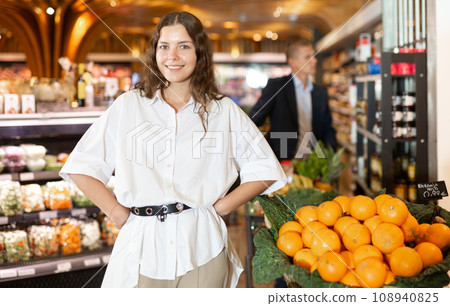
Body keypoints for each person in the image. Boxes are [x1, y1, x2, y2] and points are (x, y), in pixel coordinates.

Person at [60, 11, 286, 288]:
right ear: (155, 51)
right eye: (164, 46)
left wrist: (222, 206)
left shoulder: (223, 111)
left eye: (184, 46)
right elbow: (82, 166)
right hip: (141, 249)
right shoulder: (129, 106)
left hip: (202, 247)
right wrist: (116, 212)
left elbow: (265, 169)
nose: (172, 56)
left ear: (199, 52)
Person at [249, 39, 337, 160]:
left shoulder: (320, 92)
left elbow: (328, 129)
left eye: (314, 56)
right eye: (308, 57)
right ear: (292, 62)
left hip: (313, 166)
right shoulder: (277, 86)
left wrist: (328, 156)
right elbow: (253, 121)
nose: (314, 60)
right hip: (283, 163)